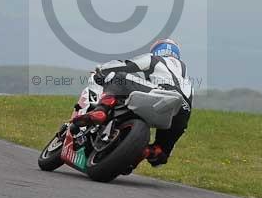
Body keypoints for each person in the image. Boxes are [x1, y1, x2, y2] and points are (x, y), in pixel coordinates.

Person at [71, 38, 193, 167]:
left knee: (119, 77)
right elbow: (188, 100)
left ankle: (101, 110)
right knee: (161, 152)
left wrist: (103, 70)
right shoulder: (185, 75)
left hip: (162, 92)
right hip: (182, 110)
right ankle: (147, 151)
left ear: (157, 50)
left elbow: (127, 65)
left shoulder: (154, 58)